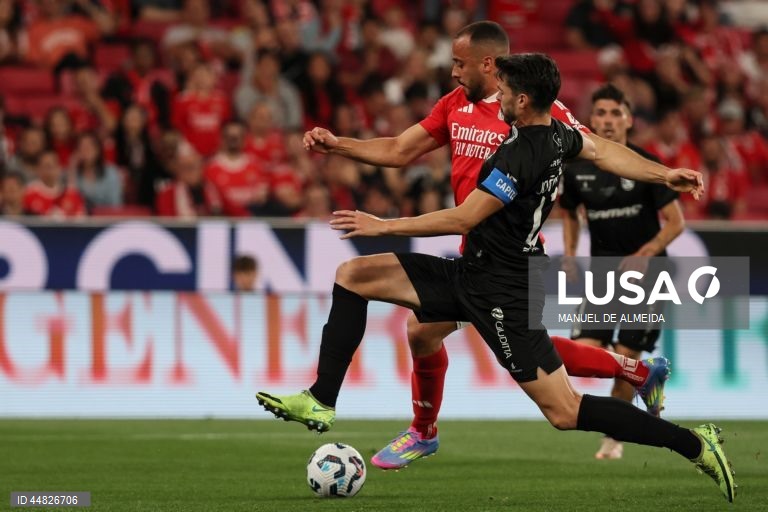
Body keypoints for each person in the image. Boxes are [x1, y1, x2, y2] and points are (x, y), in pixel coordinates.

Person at [256, 53, 735, 503]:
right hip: (472, 270)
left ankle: (694, 443)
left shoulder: (521, 154)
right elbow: (605, 151)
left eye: (503, 91)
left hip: (502, 289)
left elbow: (465, 218)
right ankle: (323, 399)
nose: (497, 97)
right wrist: (664, 174)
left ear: (522, 100)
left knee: (565, 411)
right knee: (355, 275)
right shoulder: (559, 135)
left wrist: (384, 226)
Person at [301, 21, 670, 471]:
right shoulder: (455, 104)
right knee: (438, 334)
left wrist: (663, 174)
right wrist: (339, 145)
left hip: (514, 262)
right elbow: (398, 149)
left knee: (521, 360)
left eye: (460, 63)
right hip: (475, 253)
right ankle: (637, 371)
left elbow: (603, 151)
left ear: (489, 64)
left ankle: (423, 431)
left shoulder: (538, 113)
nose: (453, 72)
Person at [560, 84, 685, 459]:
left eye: (616, 113)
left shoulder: (645, 164)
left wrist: (645, 253)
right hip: (602, 276)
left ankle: (613, 438)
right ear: (591, 119)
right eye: (601, 113)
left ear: (629, 119)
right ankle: (647, 373)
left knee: (626, 351)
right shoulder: (577, 168)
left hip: (647, 277)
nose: (608, 121)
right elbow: (570, 213)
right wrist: (570, 254)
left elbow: (675, 222)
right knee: (581, 353)